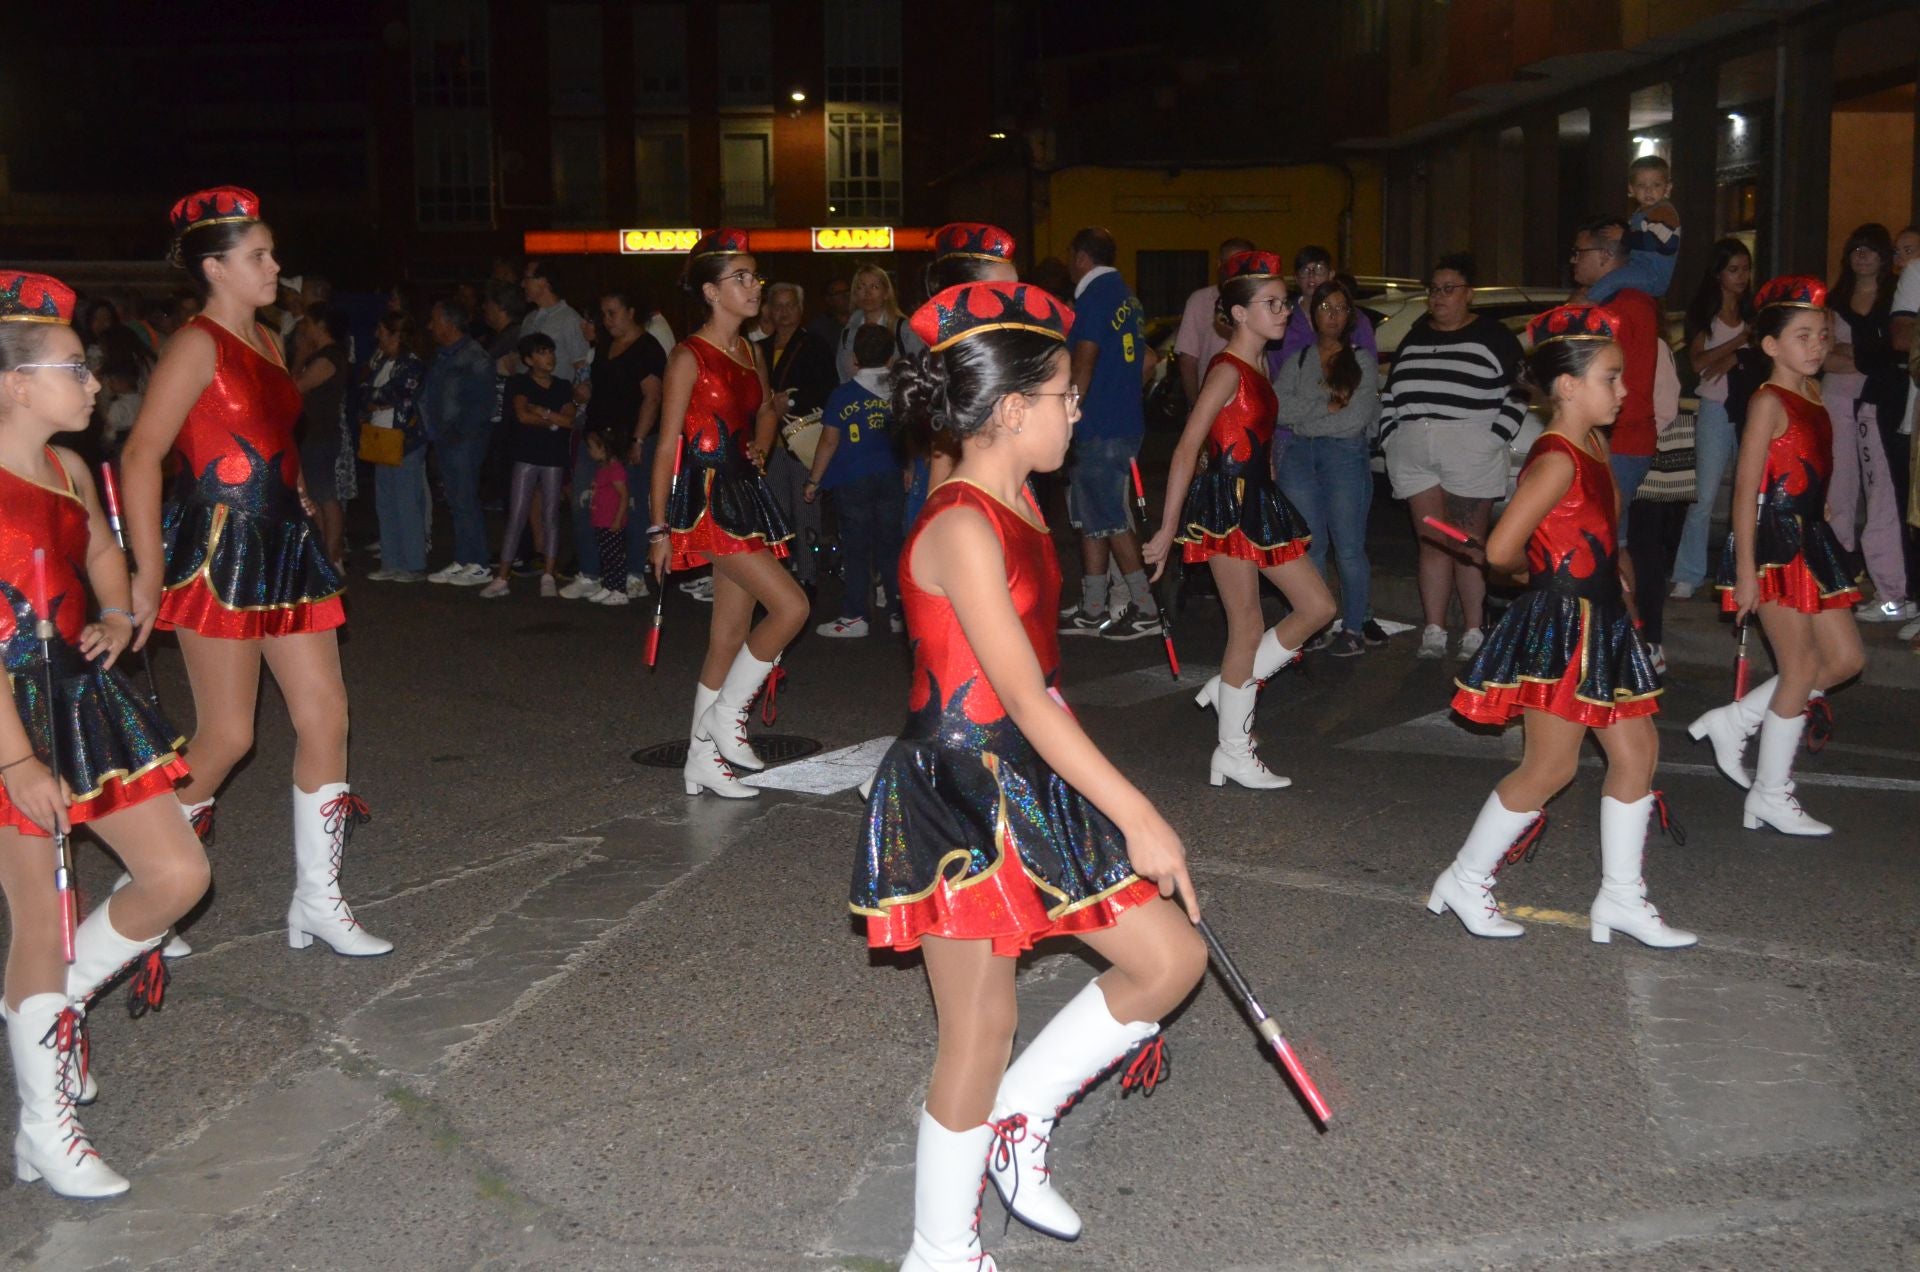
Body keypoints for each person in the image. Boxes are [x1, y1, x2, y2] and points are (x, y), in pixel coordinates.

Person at [855, 278, 1205, 1272]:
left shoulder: (1019, 500)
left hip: (1027, 773)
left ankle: (1019, 1121)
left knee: (1168, 959)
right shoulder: (962, 524)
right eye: (1064, 396)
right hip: (960, 788)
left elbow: (1042, 691)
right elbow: (1014, 693)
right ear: (1011, 412)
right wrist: (1138, 813)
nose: (1078, 408)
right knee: (979, 1025)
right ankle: (941, 1251)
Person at [122, 187, 389, 958]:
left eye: (272, 251)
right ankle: (149, 879)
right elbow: (143, 453)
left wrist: (298, 491)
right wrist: (144, 572)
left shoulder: (270, 342)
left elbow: (269, 432)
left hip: (285, 546)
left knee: (326, 715)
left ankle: (318, 899)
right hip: (220, 549)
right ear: (215, 267)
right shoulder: (195, 343)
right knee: (229, 735)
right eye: (259, 256)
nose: (276, 266)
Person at [0, 270, 211, 1199]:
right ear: (15, 382)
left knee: (179, 875)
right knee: (39, 919)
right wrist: (13, 758)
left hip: (81, 695)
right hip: (6, 711)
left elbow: (97, 551)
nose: (94, 385)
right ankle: (46, 1127)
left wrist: (122, 609)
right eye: (74, 369)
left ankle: (50, 1013)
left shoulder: (71, 466)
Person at [1435, 303, 1689, 948]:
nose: (1625, 390)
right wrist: (1536, 572)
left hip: (1598, 616)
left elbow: (1594, 529)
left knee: (1639, 753)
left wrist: (1616, 572)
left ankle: (1622, 899)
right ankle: (1465, 878)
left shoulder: (1594, 444)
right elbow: (1498, 552)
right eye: (1612, 377)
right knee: (1550, 768)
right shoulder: (1555, 458)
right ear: (1568, 386)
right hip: (1563, 621)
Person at [1143, 251, 1333, 788]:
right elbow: (1186, 448)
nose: (1286, 311)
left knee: (1318, 606)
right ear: (1239, 314)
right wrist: (1166, 528)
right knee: (1246, 624)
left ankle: (1231, 687)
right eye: (1272, 304)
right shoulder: (1225, 369)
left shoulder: (1261, 364)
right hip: (1225, 503)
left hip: (1258, 498)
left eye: (1285, 301)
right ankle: (1232, 748)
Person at [1691, 276, 1866, 836]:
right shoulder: (1767, 400)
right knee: (1800, 668)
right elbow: (1746, 490)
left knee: (1844, 661)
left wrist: (1825, 512)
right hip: (1774, 546)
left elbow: (1805, 467)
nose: (1816, 346)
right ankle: (1769, 792)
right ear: (1770, 346)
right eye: (1802, 336)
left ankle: (1736, 720)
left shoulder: (1812, 393)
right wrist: (1744, 571)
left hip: (1810, 537)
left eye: (1822, 335)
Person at [648, 229, 807, 800]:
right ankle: (724, 720)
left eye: (755, 276)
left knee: (728, 636)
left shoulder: (750, 351)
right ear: (712, 292)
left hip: (744, 492)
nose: (754, 286)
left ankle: (700, 759)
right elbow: (666, 446)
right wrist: (658, 526)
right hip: (706, 500)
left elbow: (763, 411)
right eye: (741, 278)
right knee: (792, 606)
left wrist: (761, 443)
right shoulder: (688, 355)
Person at [1378, 253, 1527, 659]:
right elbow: (1391, 392)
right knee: (1432, 542)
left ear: (1469, 295)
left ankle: (1475, 629)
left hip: (1469, 445)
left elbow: (1520, 391)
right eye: (1434, 289)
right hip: (1414, 446)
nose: (1439, 297)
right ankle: (1434, 628)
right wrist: (1390, 435)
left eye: (1449, 289)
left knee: (1467, 541)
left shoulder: (1493, 336)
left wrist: (1493, 437)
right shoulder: (1416, 334)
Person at [1058, 227, 1161, 640]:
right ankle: (1094, 606)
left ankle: (1147, 607)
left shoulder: (1094, 298)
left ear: (1080, 257)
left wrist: (1069, 413)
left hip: (1099, 423)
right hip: (1121, 419)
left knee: (1111, 518)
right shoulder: (1126, 296)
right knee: (1091, 516)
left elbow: (1084, 360)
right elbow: (1147, 358)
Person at [1274, 276, 1383, 657]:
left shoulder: (1362, 361)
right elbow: (1278, 409)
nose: (1332, 315)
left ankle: (1353, 627)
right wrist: (1325, 407)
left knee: (1349, 547)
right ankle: (1316, 621)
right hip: (1299, 456)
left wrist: (1306, 417)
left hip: (1344, 455)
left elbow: (1354, 420)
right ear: (1312, 314)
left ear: (1350, 315)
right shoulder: (1298, 359)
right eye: (1325, 308)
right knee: (1311, 546)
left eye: (1340, 308)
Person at [1822, 223, 1915, 623]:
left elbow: (1893, 351)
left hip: (1881, 403)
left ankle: (1891, 588)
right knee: (1837, 493)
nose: (1863, 256)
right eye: (1856, 248)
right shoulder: (1835, 298)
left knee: (1882, 498)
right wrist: (1865, 354)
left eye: (1871, 249)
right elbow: (1822, 355)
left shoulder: (1897, 296)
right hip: (1836, 400)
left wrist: (1855, 354)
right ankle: (1839, 581)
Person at [808, 323, 904, 637]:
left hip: (852, 479)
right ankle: (898, 612)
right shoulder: (899, 392)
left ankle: (855, 616)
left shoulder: (843, 394)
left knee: (856, 548)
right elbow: (909, 438)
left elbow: (829, 442)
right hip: (890, 475)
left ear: (854, 359)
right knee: (891, 547)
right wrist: (910, 472)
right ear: (891, 358)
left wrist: (814, 480)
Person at [1671, 238, 1754, 599]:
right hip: (1716, 408)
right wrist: (1739, 345)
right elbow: (1700, 365)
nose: (1741, 277)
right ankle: (1689, 572)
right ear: (1719, 274)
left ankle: (1742, 571)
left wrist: (1734, 359)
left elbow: (1758, 359)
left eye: (1745, 269)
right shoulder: (1706, 313)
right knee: (1703, 495)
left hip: (1751, 407)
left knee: (1747, 493)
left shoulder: (1754, 313)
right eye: (1734, 270)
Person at [577, 288, 665, 602]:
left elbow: (652, 397)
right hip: (600, 439)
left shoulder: (648, 349)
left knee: (634, 503)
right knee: (588, 500)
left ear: (630, 312)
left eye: (612, 312)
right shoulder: (605, 345)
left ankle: (633, 573)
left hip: (632, 438)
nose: (607, 320)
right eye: (604, 314)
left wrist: (639, 439)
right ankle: (592, 572)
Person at [480, 332, 575, 599]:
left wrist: (542, 413)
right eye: (543, 353)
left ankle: (548, 574)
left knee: (551, 516)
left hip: (553, 458)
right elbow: (522, 415)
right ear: (528, 359)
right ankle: (502, 578)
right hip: (525, 456)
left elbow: (569, 421)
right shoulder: (520, 383)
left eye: (551, 352)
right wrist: (553, 421)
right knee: (517, 515)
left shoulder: (562, 385)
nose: (550, 358)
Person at [764, 282, 838, 592]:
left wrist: (791, 401)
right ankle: (776, 577)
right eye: (777, 306)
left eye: (789, 305)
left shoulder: (814, 345)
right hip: (771, 443)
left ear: (800, 308)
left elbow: (828, 388)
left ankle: (808, 576)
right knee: (775, 511)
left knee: (806, 509)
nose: (783, 312)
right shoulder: (761, 347)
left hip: (803, 442)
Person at [421, 298, 497, 586]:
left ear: (449, 324)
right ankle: (464, 558)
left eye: (435, 320)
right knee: (455, 499)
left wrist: (459, 432)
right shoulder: (445, 355)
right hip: (445, 438)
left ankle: (478, 563)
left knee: (465, 497)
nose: (430, 326)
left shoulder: (474, 356)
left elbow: (482, 404)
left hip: (465, 440)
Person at [361, 312, 430, 583]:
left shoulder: (411, 364)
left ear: (396, 334)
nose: (378, 336)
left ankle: (413, 564)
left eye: (382, 330)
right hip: (380, 437)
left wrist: (376, 397)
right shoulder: (383, 361)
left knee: (406, 502)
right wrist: (375, 398)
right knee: (386, 502)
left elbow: (397, 392)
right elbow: (365, 391)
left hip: (404, 439)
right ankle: (391, 561)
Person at [292, 304, 352, 571]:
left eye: (308, 323)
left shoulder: (328, 358)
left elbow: (294, 388)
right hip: (315, 434)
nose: (305, 329)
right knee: (317, 496)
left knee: (324, 496)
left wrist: (301, 356)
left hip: (320, 435)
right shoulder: (325, 356)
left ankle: (331, 555)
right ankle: (325, 554)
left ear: (320, 325)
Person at [1585, 154, 1682, 304]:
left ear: (1667, 188)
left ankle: (1586, 306)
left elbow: (1665, 244)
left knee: (1612, 280)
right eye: (1642, 186)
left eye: (1656, 185)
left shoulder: (1663, 212)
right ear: (1631, 189)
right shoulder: (1641, 213)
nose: (1649, 191)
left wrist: (1624, 236)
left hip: (1652, 275)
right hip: (1640, 269)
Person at [1173, 237, 1254, 409]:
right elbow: (1188, 359)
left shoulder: (1260, 301)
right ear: (1219, 264)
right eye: (1229, 263)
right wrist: (1196, 406)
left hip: (1252, 401)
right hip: (1211, 403)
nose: (1235, 269)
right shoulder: (1200, 300)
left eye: (1241, 263)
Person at [1268, 245, 1380, 370]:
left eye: (1319, 269)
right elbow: (1274, 371)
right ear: (1296, 278)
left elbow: (1369, 368)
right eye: (1305, 270)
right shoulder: (1284, 318)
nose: (1312, 276)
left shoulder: (1354, 318)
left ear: (1331, 274)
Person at [834, 262, 925, 384]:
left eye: (874, 287)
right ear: (854, 294)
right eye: (861, 287)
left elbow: (922, 367)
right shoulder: (848, 332)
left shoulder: (903, 329)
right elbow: (843, 375)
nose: (867, 293)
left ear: (886, 293)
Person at [584, 428, 630, 606]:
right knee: (606, 555)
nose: (590, 451)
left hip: (611, 521)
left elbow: (623, 495)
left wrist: (618, 519)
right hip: (601, 520)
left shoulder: (615, 469)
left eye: (592, 447)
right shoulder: (602, 468)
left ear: (604, 448)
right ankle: (609, 586)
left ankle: (620, 590)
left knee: (615, 557)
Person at [806, 276, 851, 351]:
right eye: (839, 293)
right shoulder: (820, 327)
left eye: (847, 291)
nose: (845, 296)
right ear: (829, 299)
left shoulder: (862, 318)